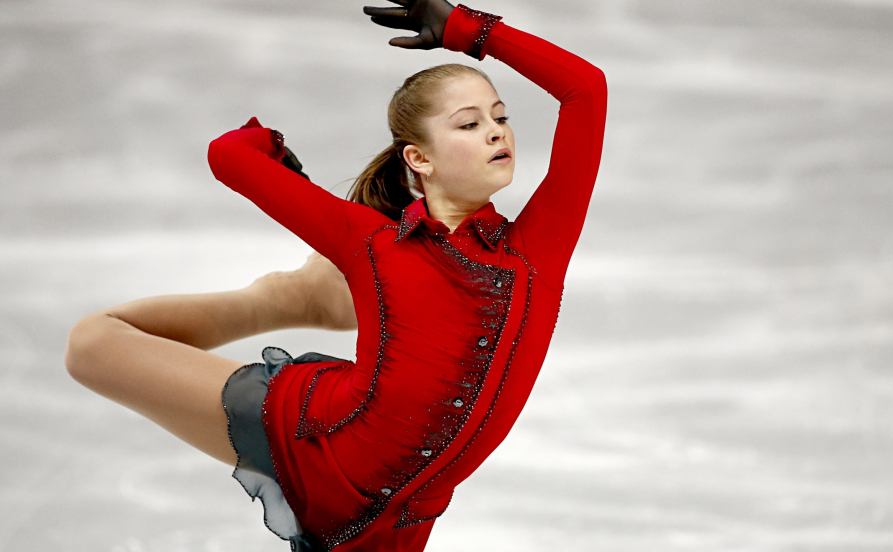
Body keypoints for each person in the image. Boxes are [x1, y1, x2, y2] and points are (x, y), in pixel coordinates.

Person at [65, 1, 607, 550]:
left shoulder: (535, 250)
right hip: (312, 439)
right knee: (92, 344)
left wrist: (468, 30)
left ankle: (306, 295)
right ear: (418, 158)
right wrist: (272, 148)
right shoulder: (374, 245)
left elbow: (586, 90)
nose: (495, 132)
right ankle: (287, 300)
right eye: (470, 123)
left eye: (500, 117)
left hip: (395, 521)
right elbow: (227, 155)